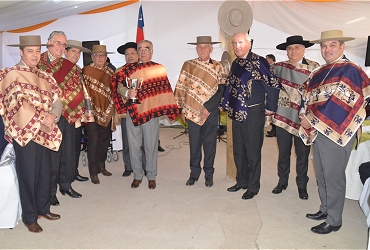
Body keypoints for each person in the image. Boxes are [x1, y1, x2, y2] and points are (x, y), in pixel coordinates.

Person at [300, 30, 370, 234]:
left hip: (337, 133)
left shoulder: (351, 70)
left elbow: (342, 103)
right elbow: (307, 97)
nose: (327, 49)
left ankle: (334, 219)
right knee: (321, 173)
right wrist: (303, 116)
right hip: (317, 130)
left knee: (333, 176)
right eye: (323, 46)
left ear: (342, 46)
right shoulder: (319, 72)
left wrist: (311, 120)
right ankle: (325, 209)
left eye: (332, 45)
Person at [0, 35, 62, 233]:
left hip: (46, 130)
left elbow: (57, 100)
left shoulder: (46, 76)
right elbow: (16, 105)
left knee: (45, 172)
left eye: (37, 51)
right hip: (25, 133)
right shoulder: (11, 74)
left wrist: (53, 115)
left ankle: (43, 208)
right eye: (30, 51)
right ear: (21, 52)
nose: (35, 55)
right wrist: (42, 118)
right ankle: (29, 216)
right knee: (28, 174)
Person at [112, 39, 181, 189]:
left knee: (150, 145)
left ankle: (151, 175)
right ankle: (137, 175)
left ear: (152, 51)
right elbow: (118, 87)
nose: (143, 51)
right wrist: (127, 92)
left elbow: (165, 91)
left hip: (151, 113)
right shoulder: (128, 70)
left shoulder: (159, 69)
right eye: (140, 49)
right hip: (133, 111)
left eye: (146, 49)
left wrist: (168, 108)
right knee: (134, 145)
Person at [221, 32, 280, 200]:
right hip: (236, 111)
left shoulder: (258, 61)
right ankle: (242, 181)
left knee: (253, 151)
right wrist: (225, 102)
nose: (237, 46)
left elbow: (272, 83)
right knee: (238, 150)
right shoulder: (235, 62)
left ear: (249, 43)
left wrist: (270, 107)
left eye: (240, 42)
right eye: (234, 43)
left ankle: (253, 187)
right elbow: (230, 85)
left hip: (253, 112)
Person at [38, 31, 86, 205]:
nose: (61, 47)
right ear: (49, 42)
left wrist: (75, 111)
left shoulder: (69, 66)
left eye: (64, 45)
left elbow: (76, 90)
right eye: (58, 43)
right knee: (52, 156)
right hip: (46, 116)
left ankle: (66, 185)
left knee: (68, 152)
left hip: (67, 115)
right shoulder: (38, 62)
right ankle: (50, 192)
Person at [174, 36, 227, 187]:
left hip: (210, 112)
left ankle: (209, 174)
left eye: (205, 47)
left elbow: (222, 90)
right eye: (199, 47)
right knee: (194, 143)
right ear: (196, 49)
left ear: (212, 49)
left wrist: (208, 107)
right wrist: (182, 109)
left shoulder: (219, 67)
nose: (202, 49)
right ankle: (194, 173)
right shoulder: (188, 65)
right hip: (191, 111)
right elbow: (181, 87)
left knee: (210, 144)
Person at [271, 36, 319, 200]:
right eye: (290, 48)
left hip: (303, 119)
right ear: (287, 51)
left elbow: (317, 95)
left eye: (297, 48)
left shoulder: (314, 68)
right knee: (283, 153)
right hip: (283, 116)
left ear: (304, 49)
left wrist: (311, 118)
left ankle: (302, 185)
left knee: (302, 155)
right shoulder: (279, 67)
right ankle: (282, 181)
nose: (293, 51)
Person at [82, 45, 115, 184]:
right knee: (93, 142)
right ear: (92, 57)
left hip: (107, 111)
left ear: (106, 58)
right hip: (91, 112)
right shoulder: (86, 71)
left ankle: (102, 166)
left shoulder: (110, 72)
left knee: (104, 141)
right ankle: (93, 171)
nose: (100, 58)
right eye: (97, 55)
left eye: (102, 55)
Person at [64, 39, 92, 182]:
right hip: (66, 115)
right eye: (73, 51)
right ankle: (65, 178)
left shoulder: (78, 70)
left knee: (76, 146)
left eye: (78, 52)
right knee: (66, 149)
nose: (76, 54)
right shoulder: (61, 69)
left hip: (78, 114)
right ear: (65, 51)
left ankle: (73, 172)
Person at [265, 53, 277, 137]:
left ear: (270, 59)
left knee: (274, 113)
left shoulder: (274, 67)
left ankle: (275, 130)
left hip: (273, 91)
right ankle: (273, 129)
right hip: (270, 90)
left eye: (267, 59)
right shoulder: (271, 67)